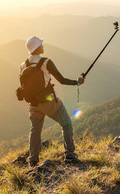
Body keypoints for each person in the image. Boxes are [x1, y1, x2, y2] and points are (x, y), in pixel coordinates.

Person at [20, 36, 85, 166]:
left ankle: (33, 159)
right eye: (41, 44)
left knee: (35, 130)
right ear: (37, 48)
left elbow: (23, 86)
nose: (43, 46)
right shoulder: (46, 62)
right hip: (48, 101)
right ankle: (70, 155)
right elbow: (61, 80)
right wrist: (77, 82)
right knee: (66, 123)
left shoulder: (23, 65)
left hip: (33, 104)